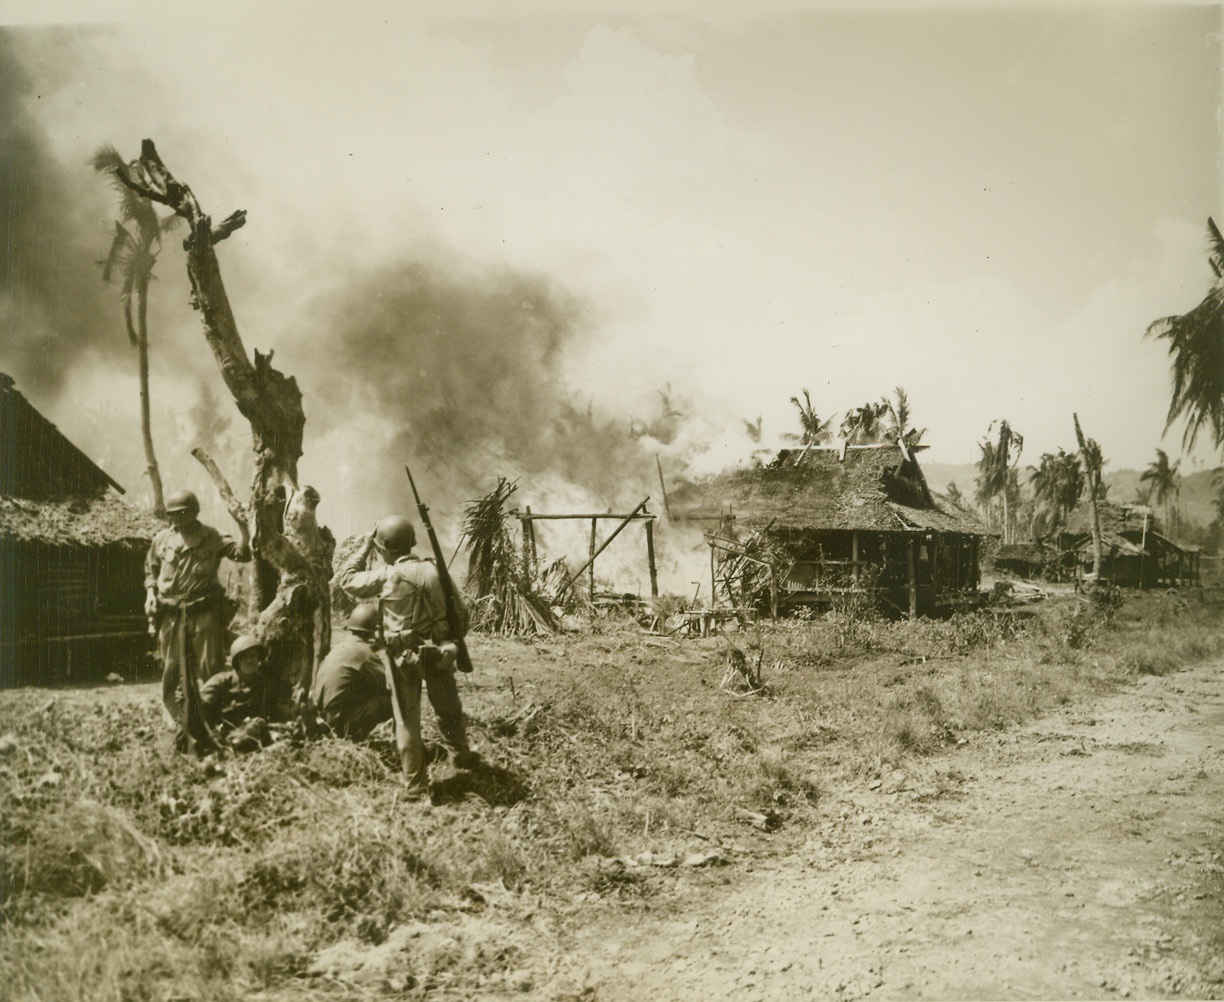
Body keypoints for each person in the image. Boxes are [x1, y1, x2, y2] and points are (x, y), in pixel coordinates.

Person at [335, 514, 475, 797]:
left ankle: (415, 784)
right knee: (448, 707)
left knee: (407, 720)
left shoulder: (387, 575)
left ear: (384, 548)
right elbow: (462, 614)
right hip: (440, 652)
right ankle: (461, 756)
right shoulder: (437, 571)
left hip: (403, 657)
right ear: (411, 544)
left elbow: (346, 580)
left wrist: (363, 548)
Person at [145, 489, 251, 737]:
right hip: (171, 614)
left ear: (194, 513)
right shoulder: (161, 540)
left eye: (184, 513)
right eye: (174, 514)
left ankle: (214, 717)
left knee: (210, 667)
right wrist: (150, 594)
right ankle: (173, 721)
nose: (179, 519)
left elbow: (242, 554)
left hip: (204, 612)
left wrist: (243, 528)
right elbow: (150, 571)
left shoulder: (211, 536)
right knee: (171, 668)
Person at [311, 603, 394, 740]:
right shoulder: (364, 653)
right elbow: (389, 684)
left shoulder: (344, 645)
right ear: (376, 629)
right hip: (336, 723)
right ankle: (353, 737)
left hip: (323, 717)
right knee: (391, 701)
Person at [199, 635, 272, 752]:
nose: (249, 661)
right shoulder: (222, 681)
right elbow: (202, 701)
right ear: (237, 661)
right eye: (244, 657)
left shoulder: (263, 684)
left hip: (253, 733)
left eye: (253, 656)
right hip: (223, 734)